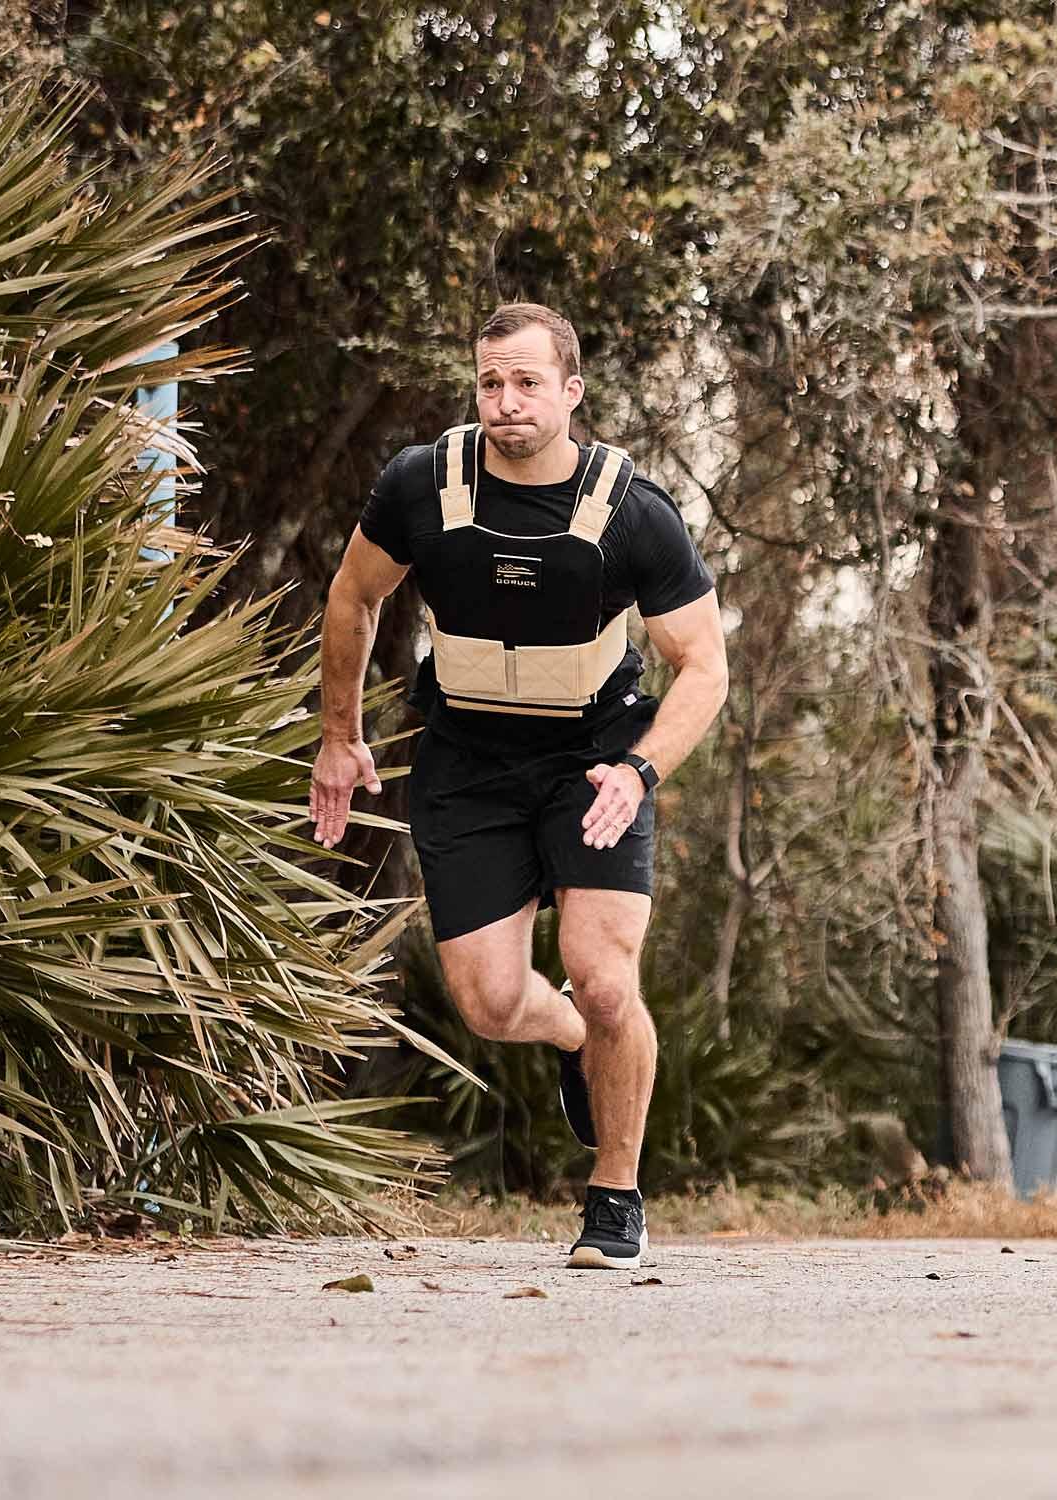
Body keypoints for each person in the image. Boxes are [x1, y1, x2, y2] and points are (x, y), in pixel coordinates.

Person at [310, 303, 728, 1269]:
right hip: (467, 760)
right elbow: (354, 594)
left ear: (571, 392)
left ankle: (615, 1195)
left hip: (593, 761)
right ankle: (576, 1038)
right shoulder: (423, 485)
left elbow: (703, 664)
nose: (506, 402)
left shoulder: (631, 510)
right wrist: (340, 735)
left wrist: (640, 767)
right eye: (491, 382)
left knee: (606, 973)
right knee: (494, 1006)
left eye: (528, 382)